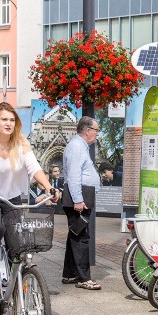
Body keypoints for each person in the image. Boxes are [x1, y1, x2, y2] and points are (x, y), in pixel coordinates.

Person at [0, 102, 58, 285]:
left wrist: (49, 187)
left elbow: (34, 168)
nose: (8, 123)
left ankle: (15, 289)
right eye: (4, 119)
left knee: (17, 245)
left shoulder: (21, 143)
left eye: (12, 120)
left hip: (11, 199)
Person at [61, 116, 101, 290]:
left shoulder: (79, 146)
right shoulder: (77, 147)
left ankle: (69, 274)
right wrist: (78, 199)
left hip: (83, 196)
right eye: (96, 131)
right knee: (81, 238)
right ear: (88, 131)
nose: (97, 135)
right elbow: (74, 175)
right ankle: (84, 278)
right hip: (79, 198)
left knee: (75, 235)